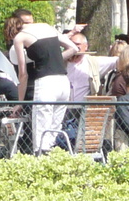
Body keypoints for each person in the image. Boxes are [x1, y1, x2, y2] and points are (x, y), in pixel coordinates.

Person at [10, 13, 80, 154]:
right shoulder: (48, 27)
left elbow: (23, 74)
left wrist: (19, 102)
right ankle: (51, 158)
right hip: (63, 82)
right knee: (54, 128)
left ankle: (40, 160)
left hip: (46, 83)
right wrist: (52, 59)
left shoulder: (20, 37)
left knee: (41, 130)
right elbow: (74, 49)